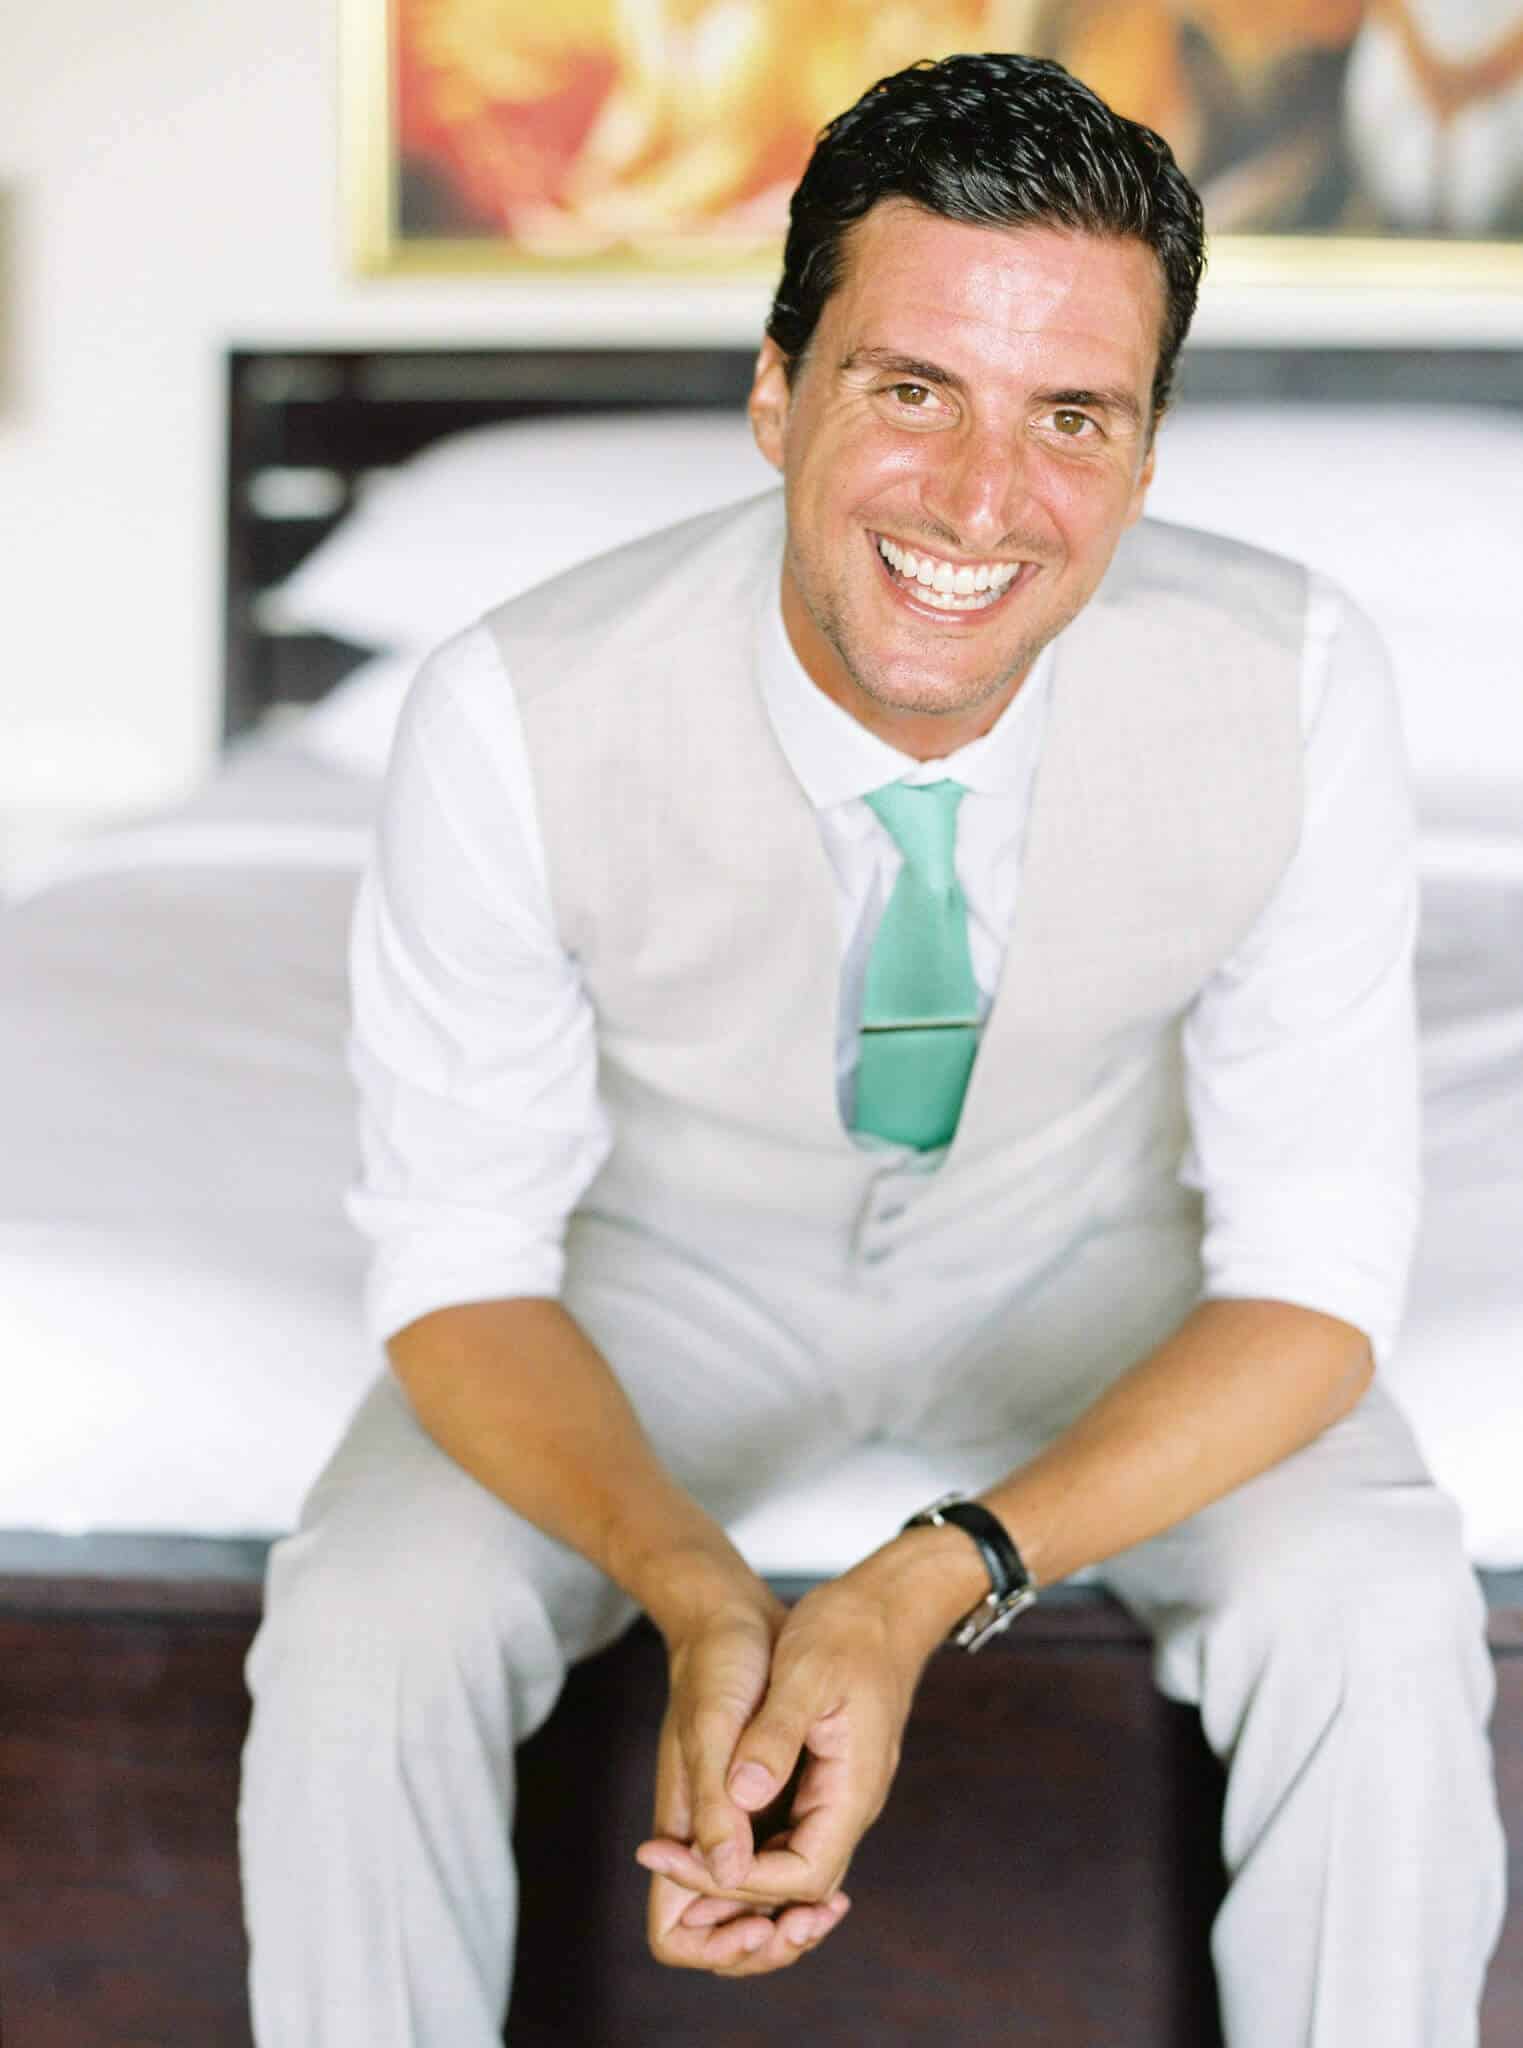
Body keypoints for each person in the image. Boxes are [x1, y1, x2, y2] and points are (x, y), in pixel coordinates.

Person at [239, 50, 1506, 2047]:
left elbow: (1317, 1276)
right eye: (913, 389)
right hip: (657, 1275)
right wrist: (696, 1589)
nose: (984, 501)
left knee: (1383, 1603)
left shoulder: (1300, 679)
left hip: (1093, 1265)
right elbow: (459, 1262)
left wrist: (928, 1580)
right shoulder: (508, 708)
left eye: (1072, 416)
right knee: (360, 1625)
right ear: (777, 394)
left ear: (1147, 454)